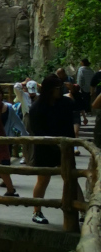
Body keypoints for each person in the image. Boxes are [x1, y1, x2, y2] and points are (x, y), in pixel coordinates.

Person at [29, 73, 80, 224]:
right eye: (58, 88)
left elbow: (79, 107)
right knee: (43, 179)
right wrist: (53, 144)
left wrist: (75, 93)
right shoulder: (37, 107)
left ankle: (82, 209)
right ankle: (37, 212)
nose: (60, 90)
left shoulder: (64, 103)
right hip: (45, 148)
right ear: (50, 89)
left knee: (71, 178)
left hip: (64, 148)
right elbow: (37, 130)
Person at [76, 57, 92, 126]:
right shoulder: (91, 70)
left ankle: (84, 111)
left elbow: (80, 78)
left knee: (82, 99)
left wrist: (78, 87)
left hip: (83, 87)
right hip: (90, 87)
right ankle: (88, 111)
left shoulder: (81, 69)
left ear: (83, 62)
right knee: (88, 98)